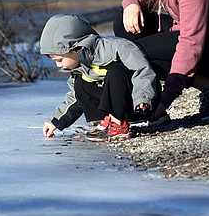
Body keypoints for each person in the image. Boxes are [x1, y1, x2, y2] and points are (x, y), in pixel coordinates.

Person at [39, 13, 158, 141]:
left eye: (60, 59)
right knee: (80, 84)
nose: (58, 65)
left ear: (75, 47)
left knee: (116, 71)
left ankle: (118, 126)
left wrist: (143, 98)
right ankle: (106, 123)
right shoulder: (80, 68)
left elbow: (142, 70)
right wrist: (55, 122)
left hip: (141, 106)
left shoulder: (117, 48)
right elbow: (74, 98)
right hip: (117, 112)